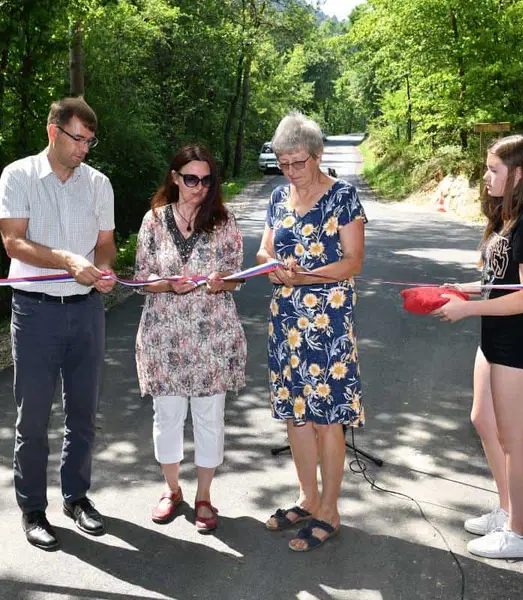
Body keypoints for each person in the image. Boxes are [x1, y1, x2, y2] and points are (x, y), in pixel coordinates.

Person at [0, 97, 116, 551]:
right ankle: (32, 509)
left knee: (83, 412)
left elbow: (106, 244)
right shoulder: (19, 175)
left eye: (90, 140)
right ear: (53, 131)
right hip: (35, 310)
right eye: (78, 139)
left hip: (86, 309)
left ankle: (76, 497)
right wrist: (65, 260)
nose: (85, 148)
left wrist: (103, 269)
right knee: (33, 417)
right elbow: (13, 241)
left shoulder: (98, 184)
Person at [432, 134, 523, 559]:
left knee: (514, 439)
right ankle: (507, 510)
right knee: (483, 421)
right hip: (495, 336)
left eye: (493, 169)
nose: (485, 176)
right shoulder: (508, 218)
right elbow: (498, 281)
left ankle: (520, 534)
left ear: (518, 173)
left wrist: (468, 311)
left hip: (521, 341)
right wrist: (463, 290)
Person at [256, 112, 367, 551]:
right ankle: (307, 497)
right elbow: (266, 247)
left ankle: (329, 511)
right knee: (295, 414)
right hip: (285, 322)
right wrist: (275, 266)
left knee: (325, 419)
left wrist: (306, 276)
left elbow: (353, 261)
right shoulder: (279, 198)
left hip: (328, 323)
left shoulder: (342, 196)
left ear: (318, 156)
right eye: (283, 163)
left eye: (297, 162)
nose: (289, 171)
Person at [134, 144, 247, 534]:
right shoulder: (153, 221)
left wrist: (222, 282)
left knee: (209, 420)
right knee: (166, 419)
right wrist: (166, 283)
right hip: (163, 339)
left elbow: (238, 275)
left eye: (206, 179)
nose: (199, 187)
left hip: (212, 338)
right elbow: (140, 278)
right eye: (191, 178)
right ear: (175, 177)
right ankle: (171, 489)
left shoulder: (224, 221)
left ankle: (204, 497)